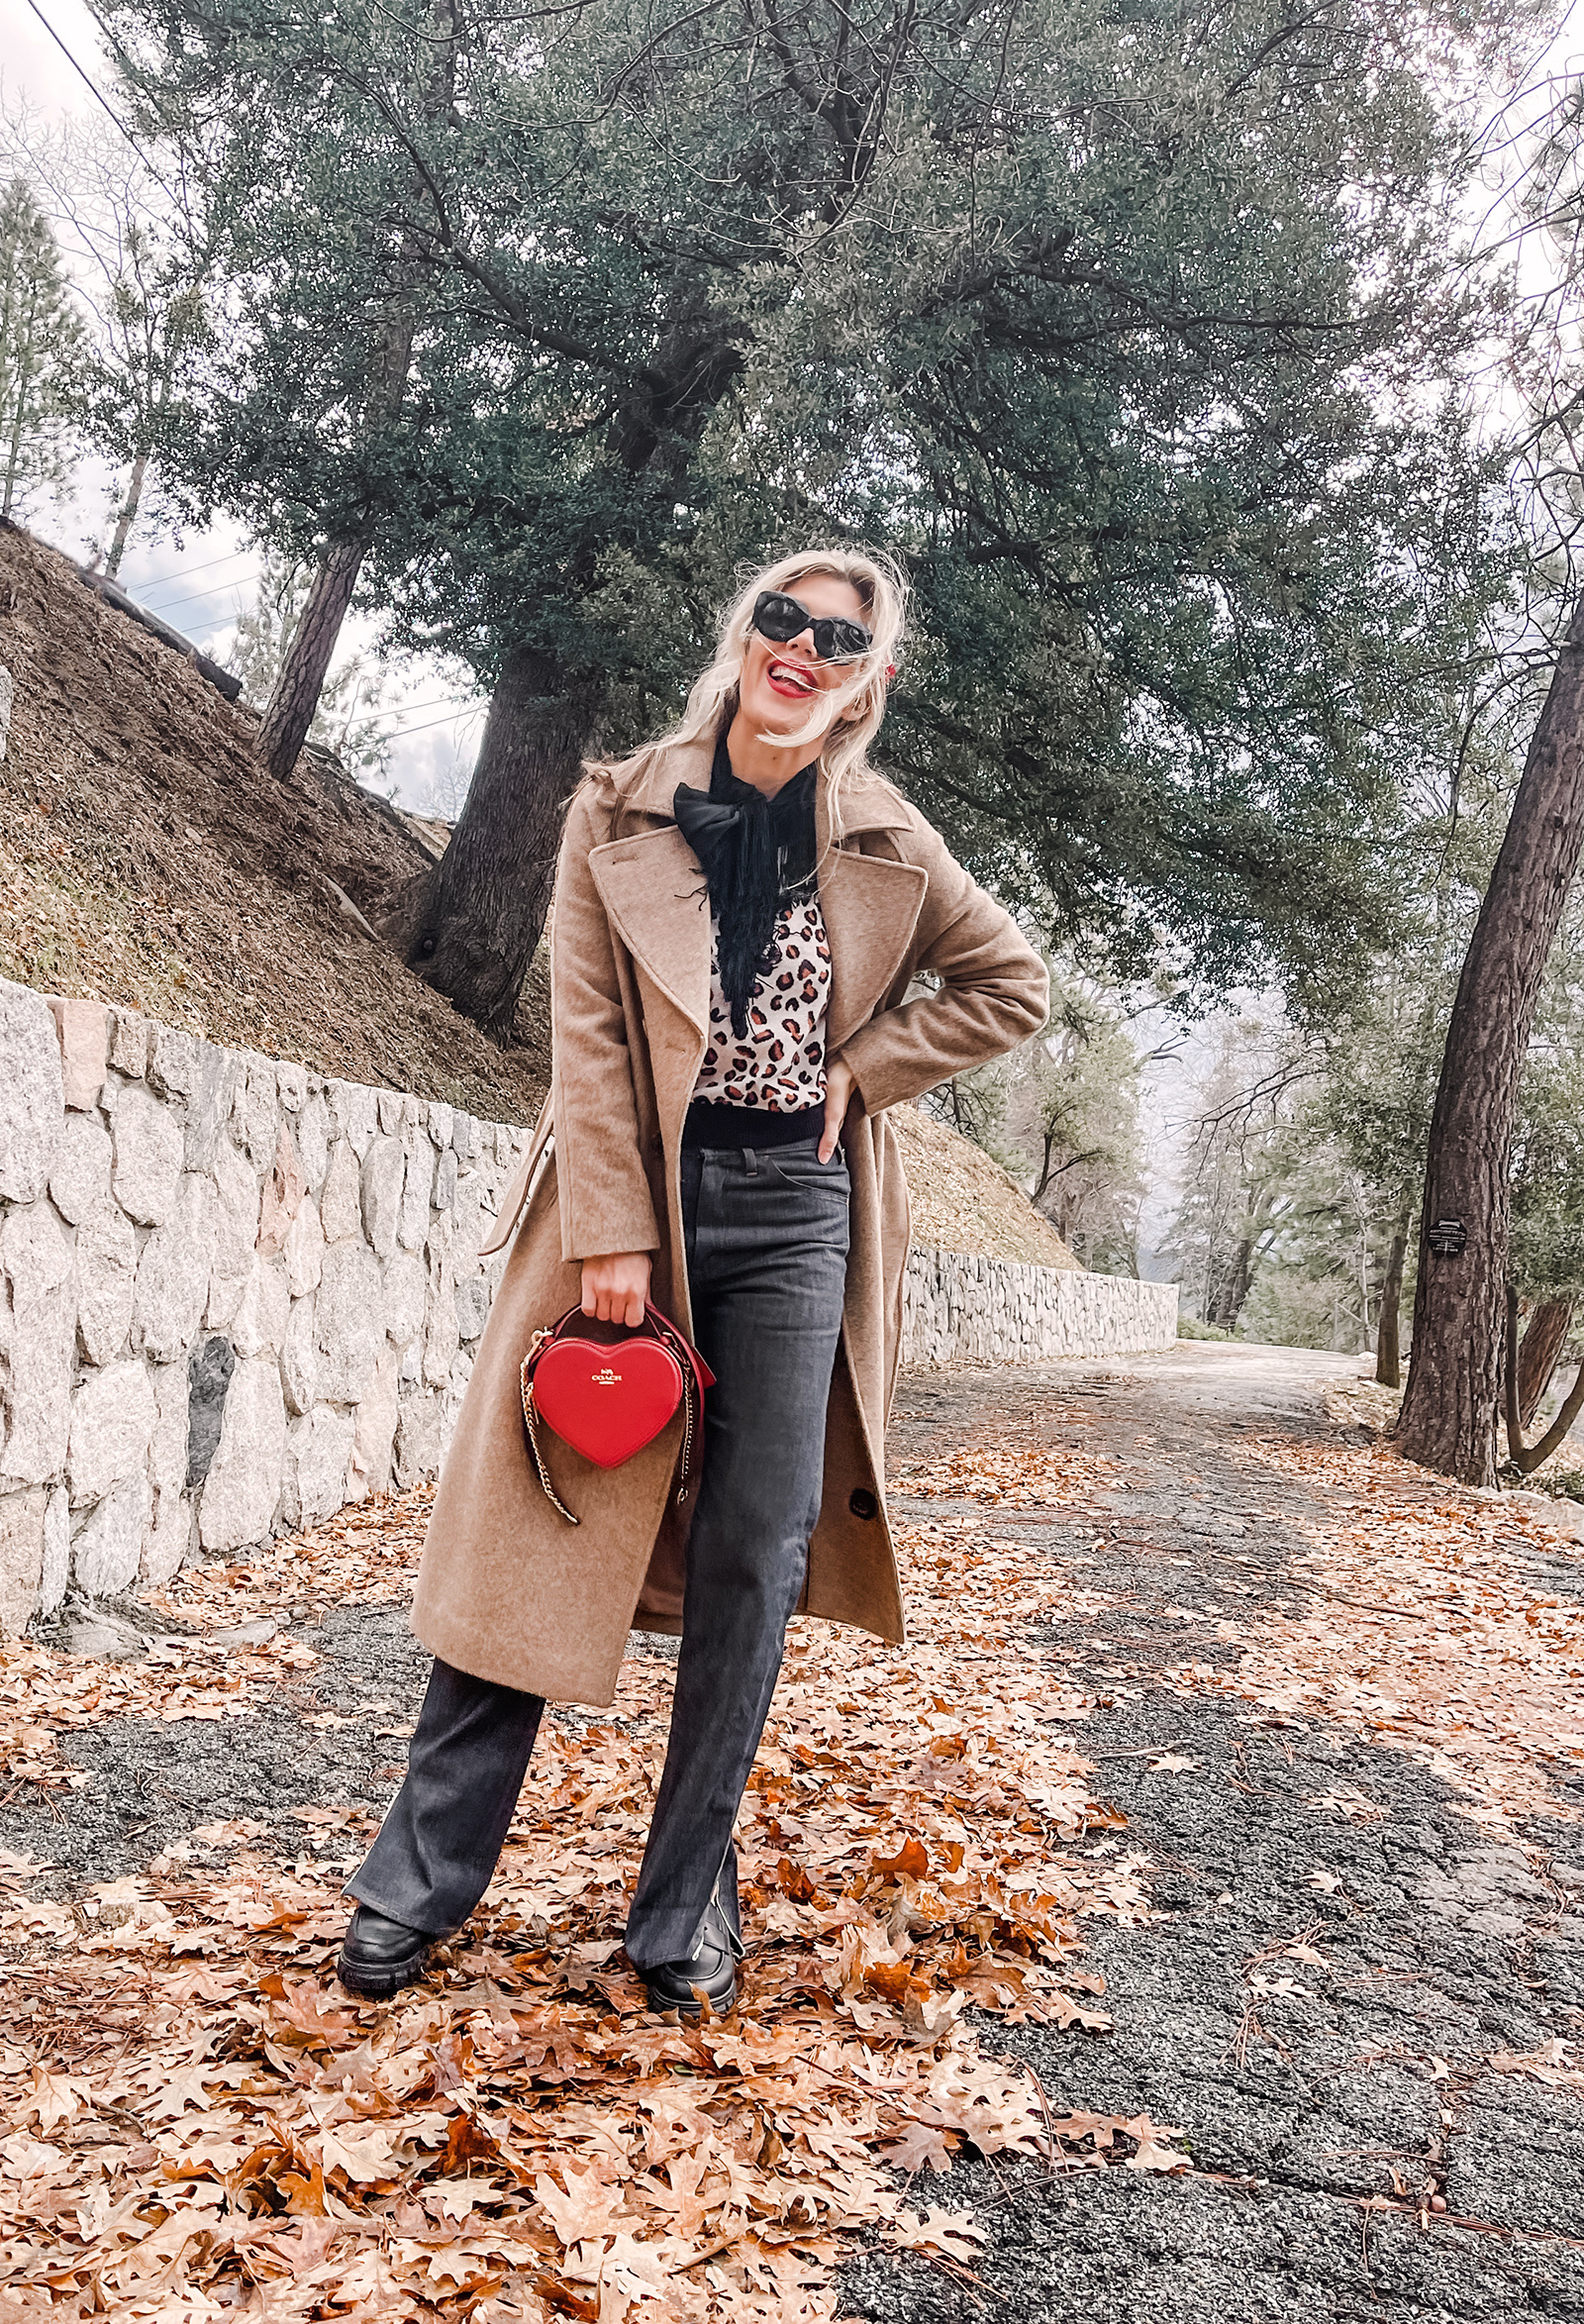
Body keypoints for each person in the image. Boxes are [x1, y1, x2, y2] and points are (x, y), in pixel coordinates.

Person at [336, 547, 1049, 2011]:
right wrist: (613, 1232)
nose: (802, 649)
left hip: (798, 1212)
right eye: (781, 620)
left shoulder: (891, 841)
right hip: (635, 1201)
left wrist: (867, 1066)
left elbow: (1012, 986)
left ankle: (681, 1908)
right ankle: (416, 1885)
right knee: (539, 1524)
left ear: (872, 680)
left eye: (838, 640)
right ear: (743, 635)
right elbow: (587, 1039)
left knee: (756, 1550)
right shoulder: (617, 803)